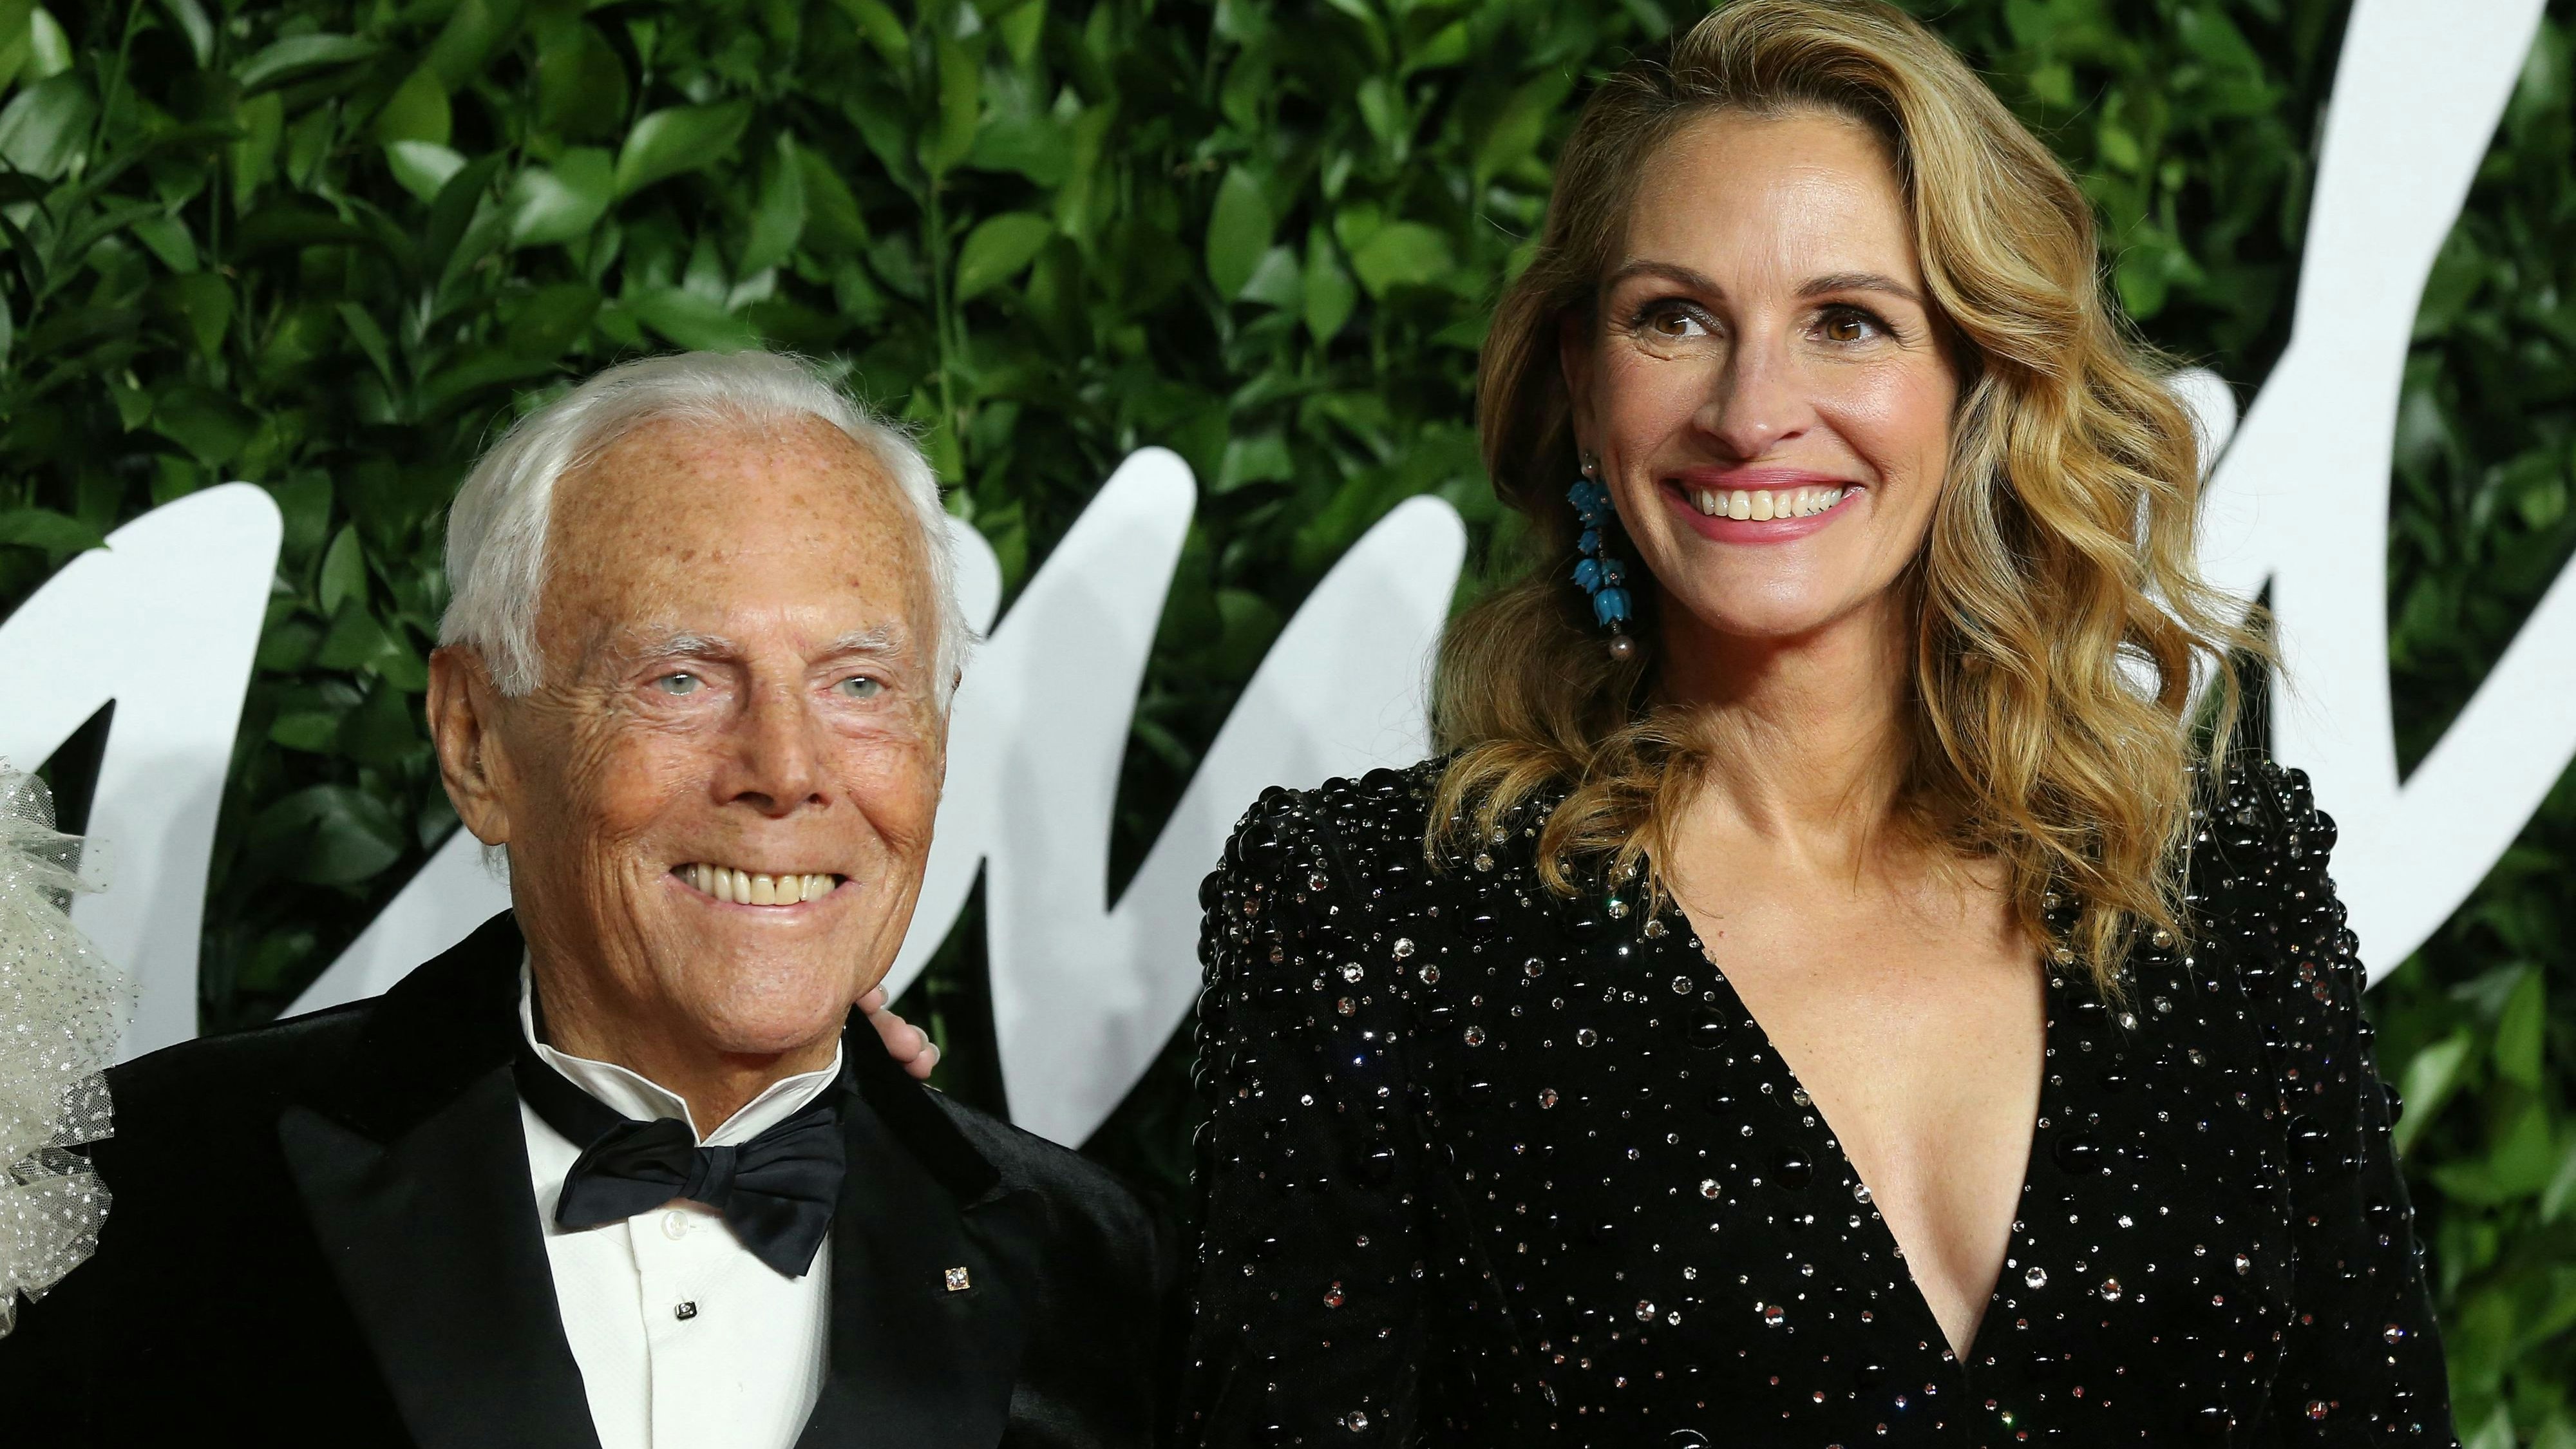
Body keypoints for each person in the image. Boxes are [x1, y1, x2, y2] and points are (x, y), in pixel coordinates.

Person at [1179, 2, 2456, 1444]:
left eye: (1846, 322)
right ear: (1579, 392)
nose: (1751, 408)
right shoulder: (1371, 918)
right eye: (1673, 319)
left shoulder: (2216, 877)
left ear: (1978, 385)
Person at [0, 351, 1170, 1447]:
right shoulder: (143, 1192)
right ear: (475, 741)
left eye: (860, 682)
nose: (787, 768)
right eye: (681, 678)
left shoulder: (1098, 1267)